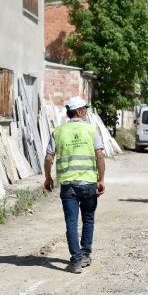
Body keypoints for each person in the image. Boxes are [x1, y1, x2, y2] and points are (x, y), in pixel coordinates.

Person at [44, 96, 106, 274]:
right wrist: (101, 180)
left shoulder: (58, 132)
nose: (86, 111)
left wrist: (48, 178)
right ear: (78, 111)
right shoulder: (91, 130)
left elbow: (49, 157)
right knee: (88, 218)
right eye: (85, 109)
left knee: (71, 222)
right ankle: (85, 254)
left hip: (68, 185)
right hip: (88, 183)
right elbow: (100, 156)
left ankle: (77, 260)